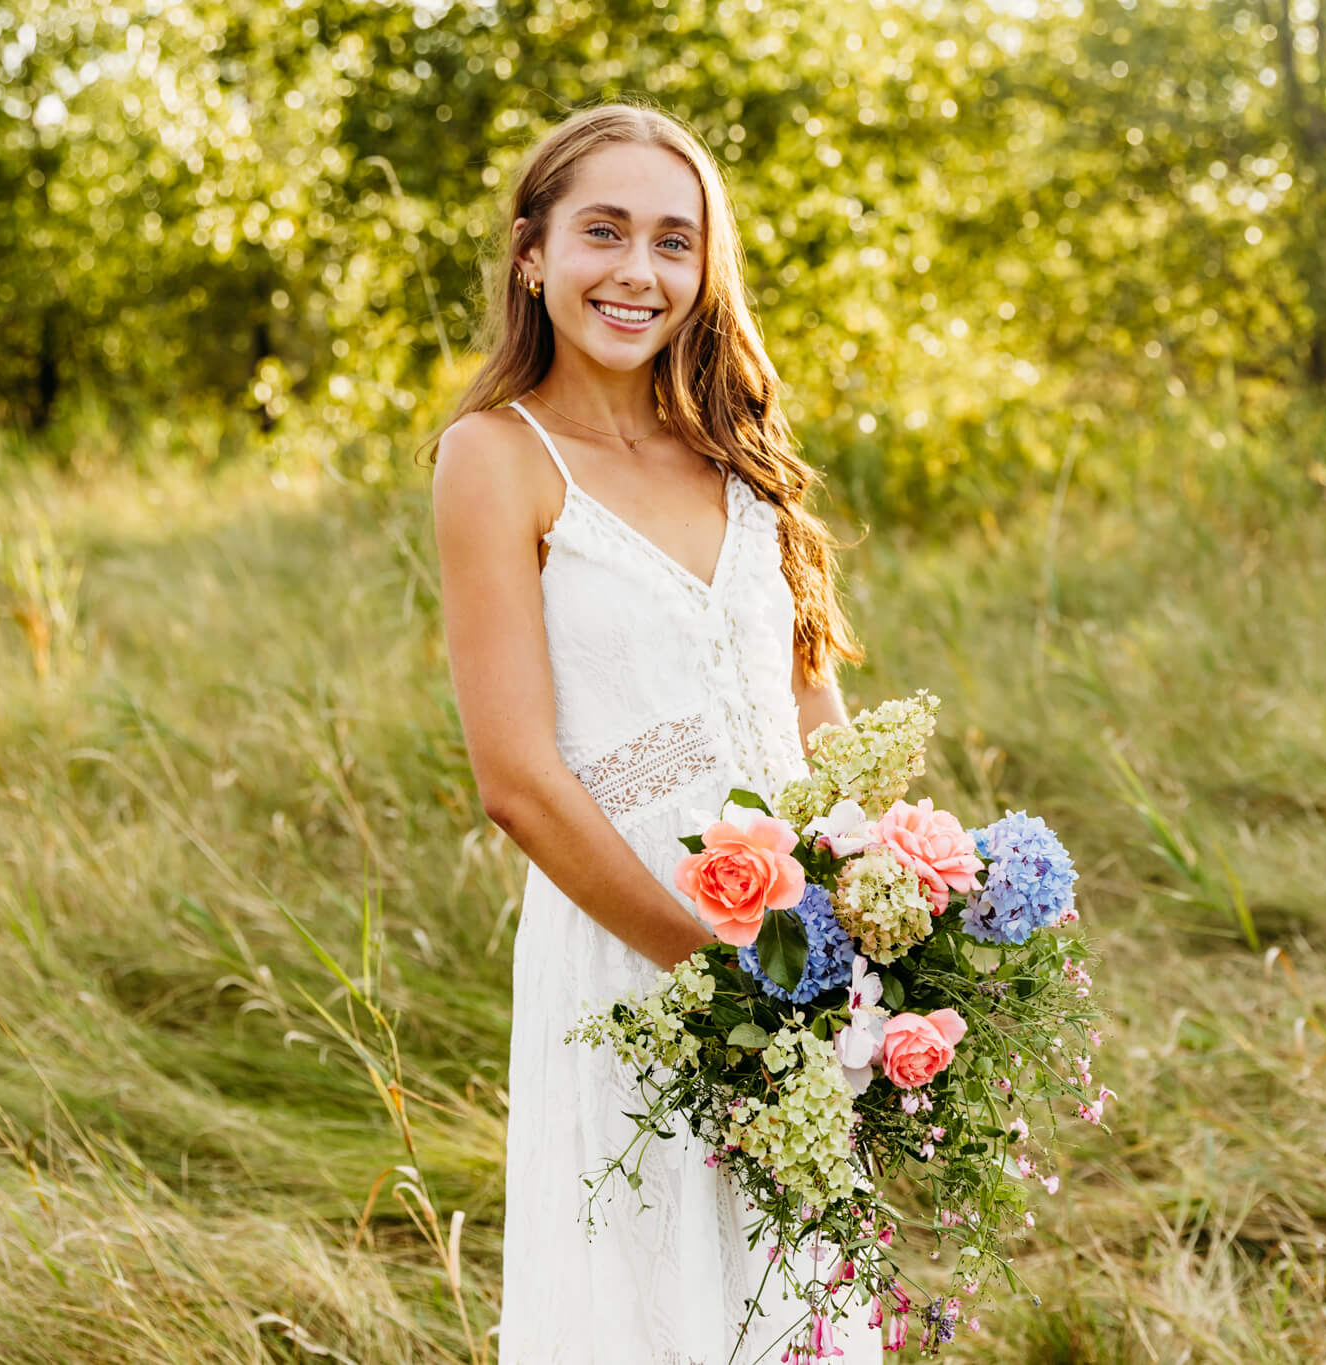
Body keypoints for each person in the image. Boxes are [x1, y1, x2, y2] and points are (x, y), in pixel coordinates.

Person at [425, 101, 884, 1363]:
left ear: (703, 267)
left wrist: (875, 908)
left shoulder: (735, 453)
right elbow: (516, 779)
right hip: (632, 948)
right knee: (642, 1299)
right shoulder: (495, 457)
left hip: (798, 951)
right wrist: (713, 970)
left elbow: (808, 708)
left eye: (672, 242)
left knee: (787, 1292)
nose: (637, 271)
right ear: (533, 253)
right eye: (603, 232)